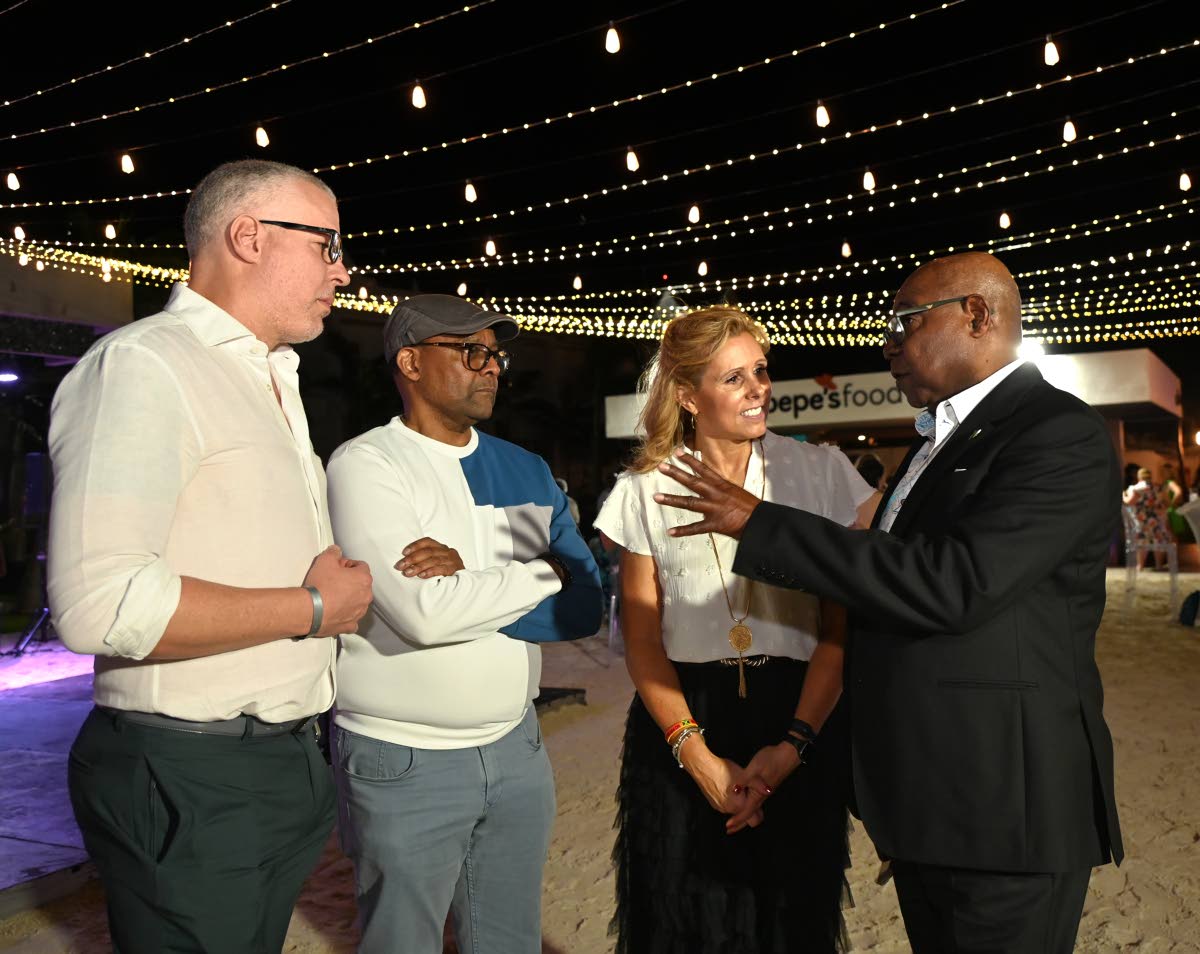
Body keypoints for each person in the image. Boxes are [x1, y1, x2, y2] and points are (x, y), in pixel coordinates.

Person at [653, 253, 1123, 954]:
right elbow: (882, 579)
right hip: (934, 806)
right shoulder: (941, 439)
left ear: (978, 315)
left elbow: (956, 583)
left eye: (906, 321)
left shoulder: (1056, 433)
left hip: (1004, 814)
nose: (888, 343)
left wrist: (764, 526)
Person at [46, 159, 374, 954]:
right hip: (187, 771)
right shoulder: (146, 364)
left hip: (273, 765)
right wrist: (314, 611)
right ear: (248, 237)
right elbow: (102, 604)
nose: (345, 268)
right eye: (327, 244)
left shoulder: (266, 373)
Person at [594, 306, 880, 954]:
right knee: (680, 919)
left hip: (800, 715)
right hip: (681, 723)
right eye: (733, 378)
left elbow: (840, 629)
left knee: (790, 921)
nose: (758, 388)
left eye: (760, 370)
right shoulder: (646, 489)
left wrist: (793, 746)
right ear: (689, 396)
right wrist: (695, 756)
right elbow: (642, 638)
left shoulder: (821, 473)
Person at [325, 294, 603, 954]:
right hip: (402, 756)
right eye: (471, 352)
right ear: (411, 361)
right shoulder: (366, 465)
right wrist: (540, 572)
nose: (492, 367)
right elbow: (425, 615)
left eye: (495, 354)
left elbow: (587, 601)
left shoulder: (523, 468)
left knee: (509, 942)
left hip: (518, 750)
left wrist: (471, 573)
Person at [1123, 466, 1172, 569]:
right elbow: (1167, 503)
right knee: (1158, 538)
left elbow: (1129, 502)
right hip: (1157, 523)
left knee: (1141, 540)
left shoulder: (1135, 488)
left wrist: (1123, 495)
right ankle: (1159, 565)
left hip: (1140, 523)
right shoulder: (1158, 487)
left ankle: (1140, 565)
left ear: (1139, 477)